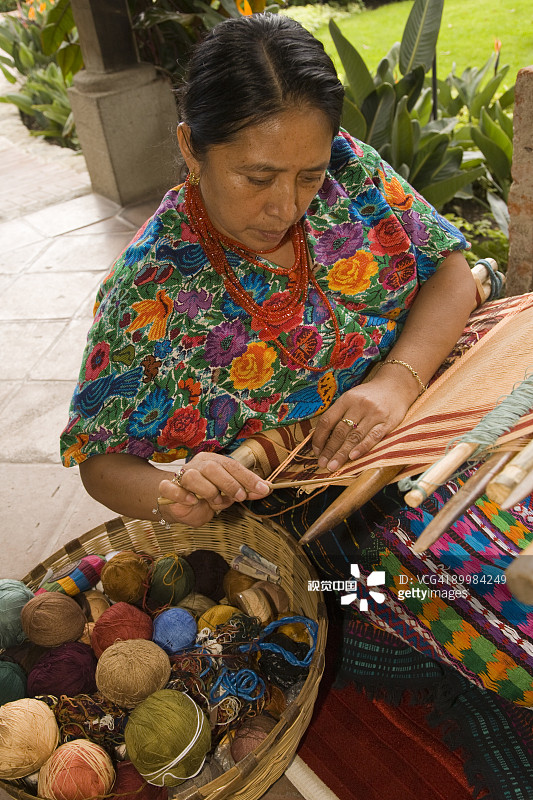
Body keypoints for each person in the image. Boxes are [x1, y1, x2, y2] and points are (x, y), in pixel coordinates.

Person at [60, 11, 533, 727]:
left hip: (437, 400)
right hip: (324, 500)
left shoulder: (347, 168)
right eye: (257, 177)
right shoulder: (151, 290)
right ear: (191, 147)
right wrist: (170, 492)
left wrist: (395, 380)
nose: (286, 206)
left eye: (307, 176)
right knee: (472, 593)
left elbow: (448, 271)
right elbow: (101, 461)